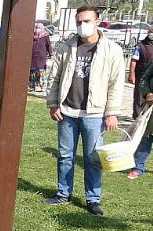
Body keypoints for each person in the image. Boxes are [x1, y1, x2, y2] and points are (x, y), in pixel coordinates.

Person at [46, 5, 124, 216]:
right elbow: (54, 77)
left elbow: (116, 84)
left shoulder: (112, 50)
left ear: (97, 21)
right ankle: (63, 193)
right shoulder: (66, 46)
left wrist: (112, 112)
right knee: (65, 156)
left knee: (93, 159)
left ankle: (93, 199)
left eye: (87, 21)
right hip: (67, 112)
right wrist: (53, 104)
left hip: (94, 114)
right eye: (79, 22)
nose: (83, 25)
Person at [128, 63, 153, 179]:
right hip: (151, 109)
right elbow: (144, 79)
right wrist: (147, 93)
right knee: (146, 138)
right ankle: (138, 167)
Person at [128, 26, 153, 118]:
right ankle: (137, 116)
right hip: (142, 75)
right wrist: (131, 74)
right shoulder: (140, 46)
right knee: (139, 97)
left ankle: (147, 116)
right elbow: (133, 60)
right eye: (151, 32)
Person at [30, 23, 52, 92]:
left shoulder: (45, 36)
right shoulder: (32, 35)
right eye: (36, 28)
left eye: (39, 28)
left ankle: (42, 86)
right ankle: (31, 86)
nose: (37, 29)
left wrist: (50, 53)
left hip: (41, 57)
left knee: (41, 72)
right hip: (33, 57)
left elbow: (48, 45)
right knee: (32, 72)